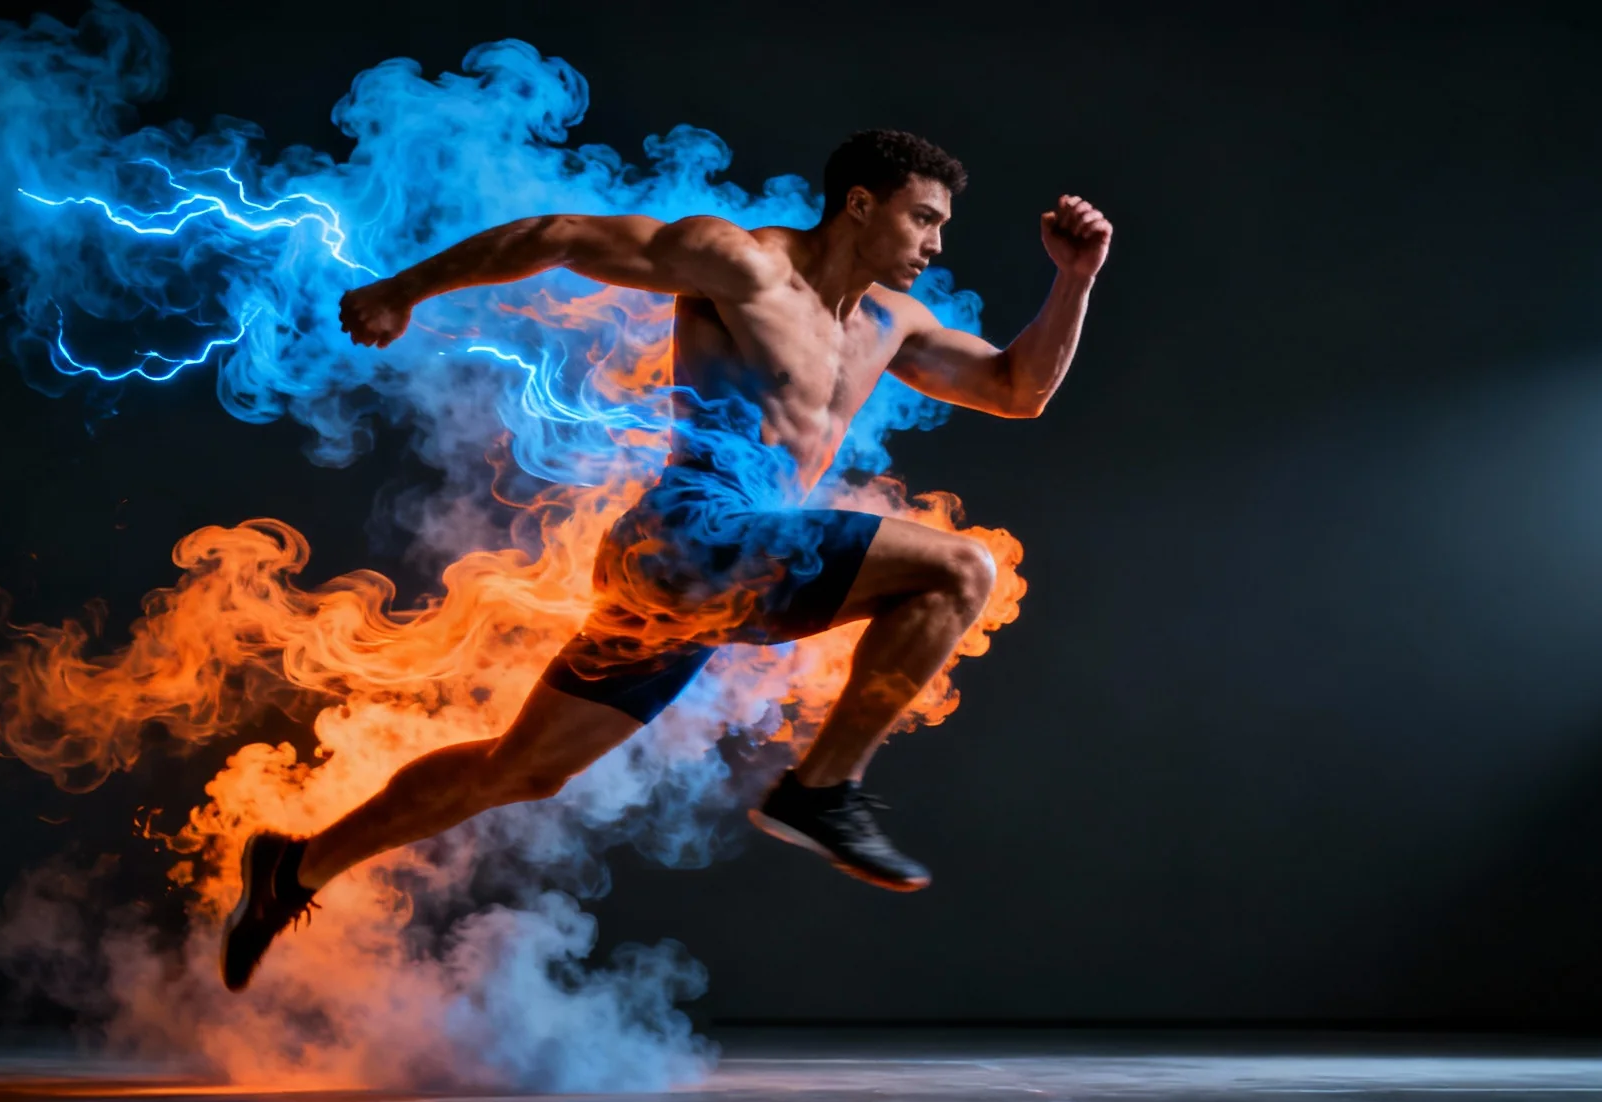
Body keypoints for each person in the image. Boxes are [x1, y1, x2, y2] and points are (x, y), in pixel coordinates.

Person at [220, 129, 1112, 991]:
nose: (936, 241)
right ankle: (821, 791)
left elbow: (1016, 390)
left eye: (942, 225)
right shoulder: (745, 263)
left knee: (523, 770)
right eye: (923, 217)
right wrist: (405, 289)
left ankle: (294, 867)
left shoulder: (890, 323)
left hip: (711, 580)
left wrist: (1073, 280)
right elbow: (562, 236)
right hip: (693, 533)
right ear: (859, 203)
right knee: (961, 570)